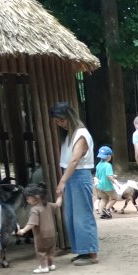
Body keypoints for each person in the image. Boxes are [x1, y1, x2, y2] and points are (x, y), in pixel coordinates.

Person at [50, 101, 99, 266]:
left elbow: (75, 159)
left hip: (79, 175)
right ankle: (82, 251)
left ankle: (90, 253)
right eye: (57, 121)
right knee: (71, 215)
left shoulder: (81, 134)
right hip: (71, 176)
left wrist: (62, 182)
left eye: (62, 120)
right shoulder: (69, 135)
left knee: (82, 215)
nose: (60, 124)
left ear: (69, 117)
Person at [16, 183, 61, 274]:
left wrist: (23, 230)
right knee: (50, 251)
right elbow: (58, 204)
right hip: (52, 234)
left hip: (41, 235)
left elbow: (32, 223)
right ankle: (51, 265)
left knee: (41, 252)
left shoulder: (34, 209)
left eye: (28, 198)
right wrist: (60, 195)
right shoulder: (49, 205)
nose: (27, 200)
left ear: (36, 197)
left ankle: (44, 267)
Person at [95, 146, 119, 219]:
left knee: (104, 199)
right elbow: (108, 176)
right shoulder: (108, 165)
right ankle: (107, 209)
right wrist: (115, 182)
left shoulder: (98, 165)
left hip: (100, 186)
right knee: (115, 198)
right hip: (107, 186)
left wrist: (113, 175)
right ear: (109, 156)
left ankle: (102, 213)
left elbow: (98, 176)